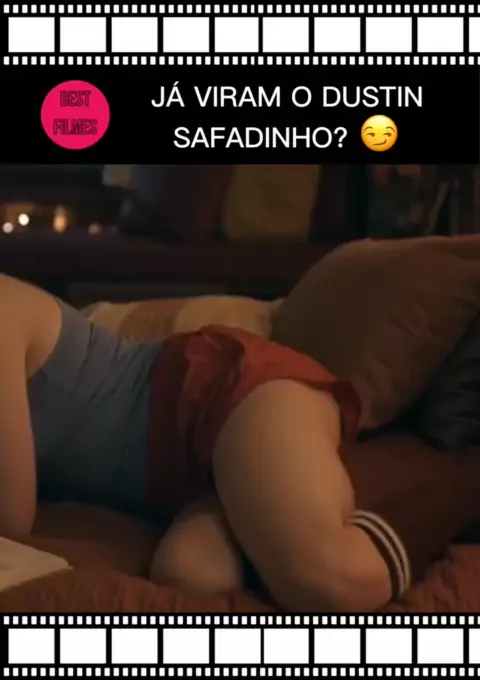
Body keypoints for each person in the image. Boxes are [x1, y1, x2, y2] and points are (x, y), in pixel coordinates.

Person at [0, 273, 396, 612]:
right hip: (177, 483)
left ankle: (421, 492)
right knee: (191, 575)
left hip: (213, 395)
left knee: (325, 578)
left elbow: (11, 518)